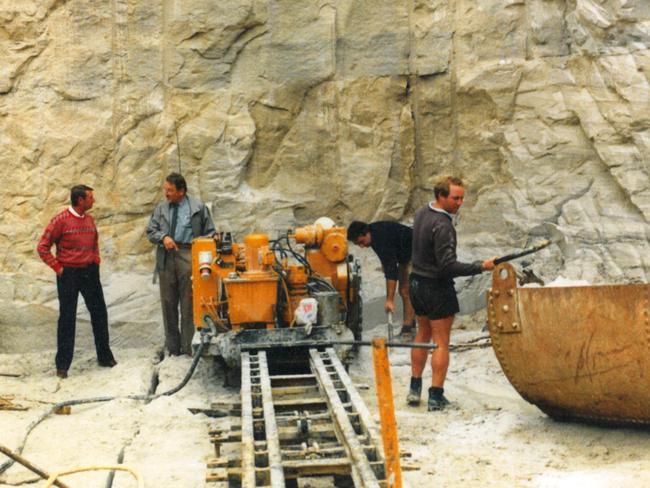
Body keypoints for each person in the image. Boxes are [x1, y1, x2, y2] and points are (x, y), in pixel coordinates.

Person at [407, 176, 495, 411]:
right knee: (441, 342)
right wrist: (480, 266)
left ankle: (414, 389)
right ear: (441, 196)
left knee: (422, 333)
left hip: (416, 282)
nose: (460, 203)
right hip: (436, 286)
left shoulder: (421, 213)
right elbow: (447, 267)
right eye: (455, 198)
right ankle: (436, 396)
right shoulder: (444, 226)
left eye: (462, 198)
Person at [37, 185, 117, 379]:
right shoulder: (60, 221)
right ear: (80, 200)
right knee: (67, 319)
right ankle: (62, 366)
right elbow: (42, 247)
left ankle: (105, 357)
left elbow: (94, 242)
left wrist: (95, 260)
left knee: (99, 313)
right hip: (68, 274)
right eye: (90, 198)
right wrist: (59, 268)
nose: (93, 201)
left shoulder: (89, 220)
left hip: (90, 272)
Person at [146, 173, 216, 356]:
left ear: (181, 191)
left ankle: (188, 349)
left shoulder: (198, 208)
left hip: (189, 255)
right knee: (168, 304)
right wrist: (163, 237)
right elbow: (150, 231)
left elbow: (210, 233)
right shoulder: (161, 209)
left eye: (170, 190)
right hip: (166, 258)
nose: (166, 193)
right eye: (165, 189)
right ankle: (173, 349)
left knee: (189, 304)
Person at [347, 220, 415, 335]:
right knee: (404, 290)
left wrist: (389, 300)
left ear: (365, 233)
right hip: (405, 254)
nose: (362, 246)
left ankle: (408, 327)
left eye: (361, 242)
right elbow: (388, 261)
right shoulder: (374, 233)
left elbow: (391, 270)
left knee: (405, 290)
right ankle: (411, 324)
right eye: (358, 244)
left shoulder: (379, 237)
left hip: (417, 251)